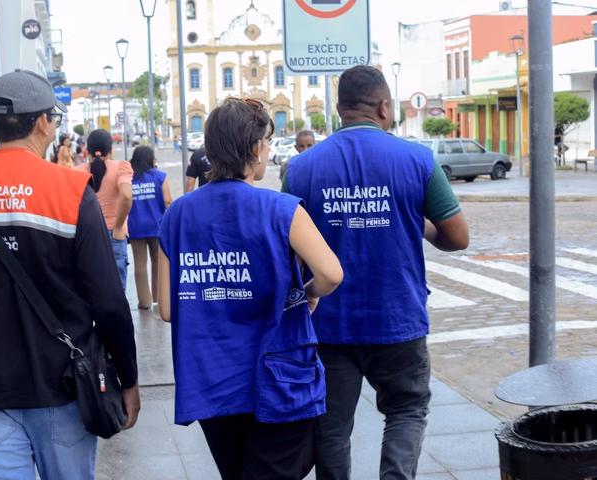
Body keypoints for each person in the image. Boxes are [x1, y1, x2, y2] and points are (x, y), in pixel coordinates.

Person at [0, 69, 140, 480]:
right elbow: (109, 301)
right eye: (55, 119)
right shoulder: (71, 192)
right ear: (42, 122)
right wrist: (128, 378)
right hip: (64, 388)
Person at [282, 65, 470, 480]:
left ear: (339, 109)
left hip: (329, 324)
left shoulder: (301, 168)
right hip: (397, 318)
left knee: (331, 427)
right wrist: (415, 222)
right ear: (384, 107)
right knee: (406, 410)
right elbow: (457, 237)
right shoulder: (417, 159)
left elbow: (287, 251)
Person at [158, 97, 344, 480]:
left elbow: (168, 309)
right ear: (257, 148)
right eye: (268, 142)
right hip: (278, 376)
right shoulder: (283, 210)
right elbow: (331, 274)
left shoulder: (177, 214)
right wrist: (308, 292)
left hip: (211, 379)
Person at [76, 129, 134, 289]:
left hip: (87, 235)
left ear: (87, 151)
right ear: (111, 150)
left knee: (90, 289)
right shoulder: (120, 167)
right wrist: (118, 226)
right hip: (114, 234)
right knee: (116, 290)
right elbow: (126, 196)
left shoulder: (76, 172)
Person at [127, 146, 172, 309]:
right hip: (157, 226)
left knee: (139, 263)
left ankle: (144, 301)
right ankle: (158, 296)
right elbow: (168, 201)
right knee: (158, 260)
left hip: (135, 227)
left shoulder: (129, 179)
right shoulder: (160, 177)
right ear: (151, 159)